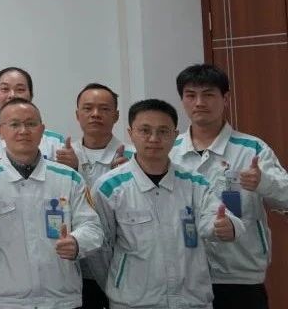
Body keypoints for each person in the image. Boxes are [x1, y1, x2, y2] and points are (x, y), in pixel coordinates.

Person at [92, 98, 242, 309]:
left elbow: (220, 217)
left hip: (192, 301)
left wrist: (228, 226)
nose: (154, 138)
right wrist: (120, 284)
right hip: (133, 303)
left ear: (175, 134)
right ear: (130, 133)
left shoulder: (194, 182)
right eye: (145, 130)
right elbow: (100, 250)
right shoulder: (109, 187)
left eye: (163, 131)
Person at [168, 64, 288, 309]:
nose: (199, 102)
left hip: (240, 275)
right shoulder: (169, 151)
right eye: (191, 95)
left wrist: (264, 183)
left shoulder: (252, 149)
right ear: (182, 100)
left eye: (208, 94)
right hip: (185, 275)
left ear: (225, 99)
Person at [0, 99, 103, 309]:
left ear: (42, 130)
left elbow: (93, 227)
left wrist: (77, 242)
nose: (23, 131)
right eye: (14, 124)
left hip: (62, 299)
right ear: (0, 132)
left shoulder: (69, 178)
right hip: (5, 301)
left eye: (31, 124)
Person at [50, 83, 128, 309]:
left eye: (104, 109)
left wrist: (124, 178)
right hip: (76, 268)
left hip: (121, 267)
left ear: (116, 115)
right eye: (88, 108)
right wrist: (73, 172)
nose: (95, 114)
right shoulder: (60, 159)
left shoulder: (133, 157)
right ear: (77, 115)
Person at [0, 68, 64, 169]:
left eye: (20, 89)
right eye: (5, 89)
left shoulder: (55, 142)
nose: (12, 95)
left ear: (31, 95)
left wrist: (71, 165)